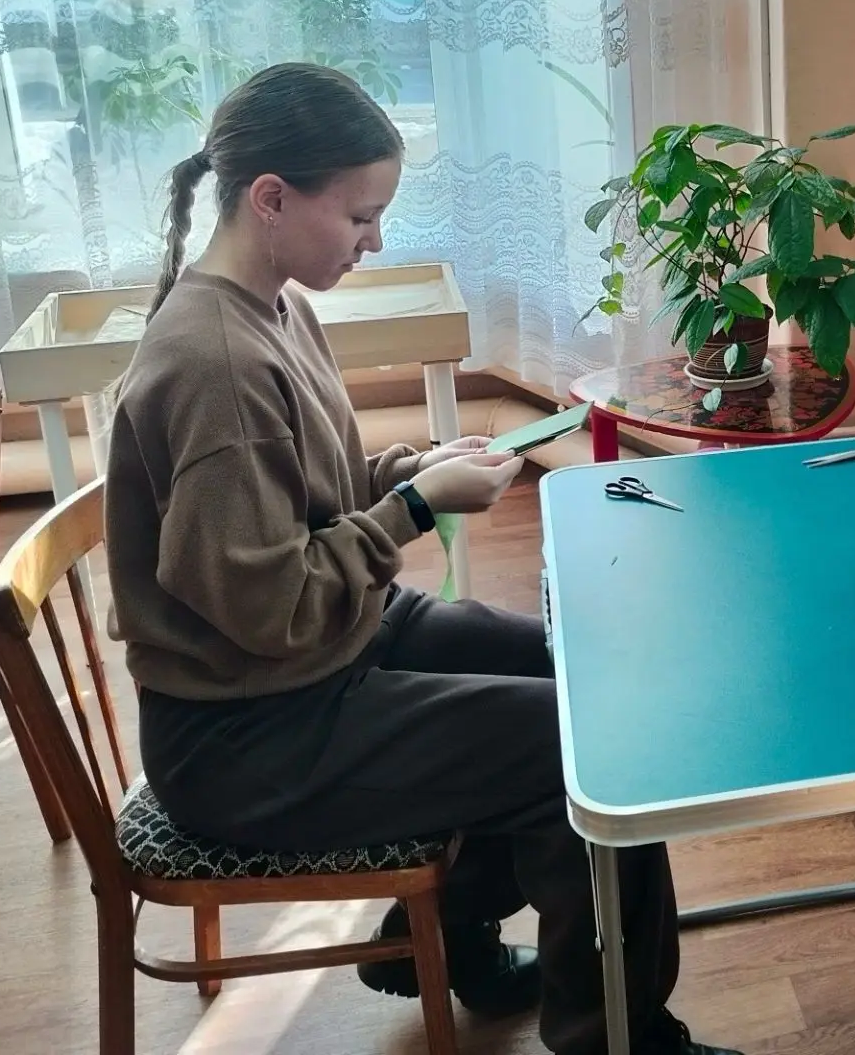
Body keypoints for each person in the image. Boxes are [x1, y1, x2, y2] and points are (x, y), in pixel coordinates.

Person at [102, 64, 735, 1055]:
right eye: (361, 216)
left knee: (588, 680)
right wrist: (411, 507)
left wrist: (411, 469)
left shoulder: (272, 306)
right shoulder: (214, 362)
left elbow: (302, 495)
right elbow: (270, 605)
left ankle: (443, 941)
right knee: (583, 752)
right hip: (248, 734)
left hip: (316, 658)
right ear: (271, 198)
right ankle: (618, 1039)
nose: (374, 241)